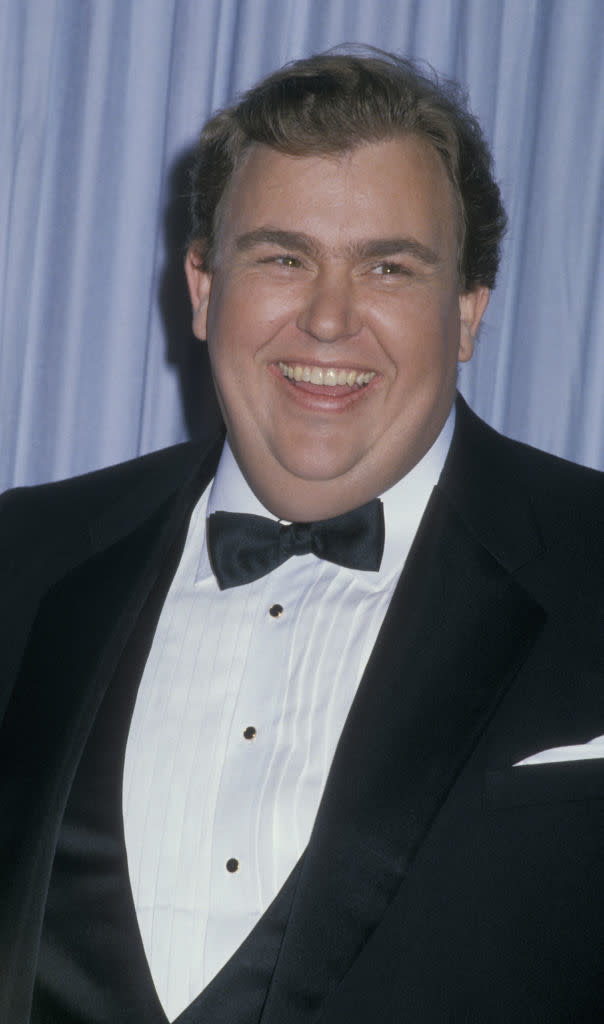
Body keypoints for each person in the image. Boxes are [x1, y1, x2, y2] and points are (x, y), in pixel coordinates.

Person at [1, 47, 603, 1024]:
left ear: (466, 312)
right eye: (283, 257)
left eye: (388, 267)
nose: (328, 319)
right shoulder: (21, 558)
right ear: (201, 288)